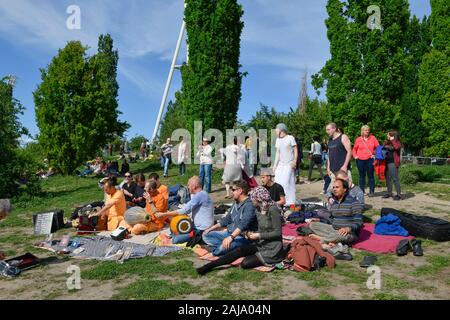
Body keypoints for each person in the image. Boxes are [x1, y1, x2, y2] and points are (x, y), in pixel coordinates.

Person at [196, 186, 286, 275]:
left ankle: (275, 256)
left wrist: (258, 235)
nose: (251, 200)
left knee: (245, 263)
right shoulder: (258, 210)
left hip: (272, 249)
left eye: (253, 197)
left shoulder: (273, 210)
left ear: (259, 198)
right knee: (238, 251)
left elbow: (277, 233)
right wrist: (248, 233)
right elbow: (255, 228)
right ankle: (208, 266)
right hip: (260, 243)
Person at [202, 181, 257, 256]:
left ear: (240, 191)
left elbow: (243, 225)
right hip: (229, 233)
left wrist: (230, 238)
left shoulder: (249, 205)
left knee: (222, 248)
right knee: (205, 235)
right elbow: (227, 219)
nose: (231, 192)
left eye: (233, 190)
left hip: (242, 237)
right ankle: (221, 247)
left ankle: (215, 250)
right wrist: (211, 228)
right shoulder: (236, 202)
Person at [155, 176, 214, 244]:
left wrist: (164, 214)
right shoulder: (200, 194)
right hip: (197, 226)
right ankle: (183, 234)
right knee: (176, 227)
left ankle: (192, 235)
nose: (187, 187)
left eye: (188, 185)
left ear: (194, 186)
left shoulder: (200, 195)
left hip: (201, 229)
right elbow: (188, 209)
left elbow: (184, 210)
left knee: (175, 240)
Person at [309, 179, 364, 245]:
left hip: (348, 233)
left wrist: (348, 228)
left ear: (345, 189)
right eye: (333, 187)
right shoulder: (334, 203)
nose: (334, 189)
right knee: (313, 225)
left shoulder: (354, 203)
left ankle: (322, 239)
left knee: (341, 236)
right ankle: (331, 239)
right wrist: (319, 220)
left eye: (337, 187)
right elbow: (332, 220)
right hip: (334, 230)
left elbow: (359, 222)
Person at [273, 123, 298, 206]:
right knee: (277, 181)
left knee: (287, 183)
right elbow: (277, 153)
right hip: (281, 164)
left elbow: (295, 149)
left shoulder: (290, 138)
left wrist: (295, 161)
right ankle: (279, 200)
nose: (275, 131)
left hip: (289, 164)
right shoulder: (278, 140)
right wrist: (274, 165)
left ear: (281, 129)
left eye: (276, 129)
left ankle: (289, 202)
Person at [353, 125, 379, 197]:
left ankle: (371, 191)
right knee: (362, 176)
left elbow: (378, 148)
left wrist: (375, 154)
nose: (367, 131)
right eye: (365, 130)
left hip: (370, 159)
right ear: (362, 131)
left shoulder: (373, 138)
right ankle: (362, 191)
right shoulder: (358, 139)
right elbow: (354, 149)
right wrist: (355, 156)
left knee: (371, 176)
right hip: (360, 160)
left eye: (368, 130)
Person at [325, 123, 353, 188]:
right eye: (326, 130)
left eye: (328, 130)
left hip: (342, 169)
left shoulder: (343, 137)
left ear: (334, 129)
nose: (327, 132)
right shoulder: (330, 140)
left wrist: (345, 166)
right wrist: (328, 168)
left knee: (347, 189)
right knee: (335, 191)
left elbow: (349, 151)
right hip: (333, 170)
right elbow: (329, 154)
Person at [383, 131, 402, 201]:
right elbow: (383, 149)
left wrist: (392, 140)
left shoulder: (397, 142)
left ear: (392, 136)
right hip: (386, 162)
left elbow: (397, 147)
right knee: (388, 179)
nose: (387, 136)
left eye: (388, 135)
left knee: (395, 179)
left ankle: (399, 195)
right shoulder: (387, 142)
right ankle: (389, 192)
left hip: (393, 162)